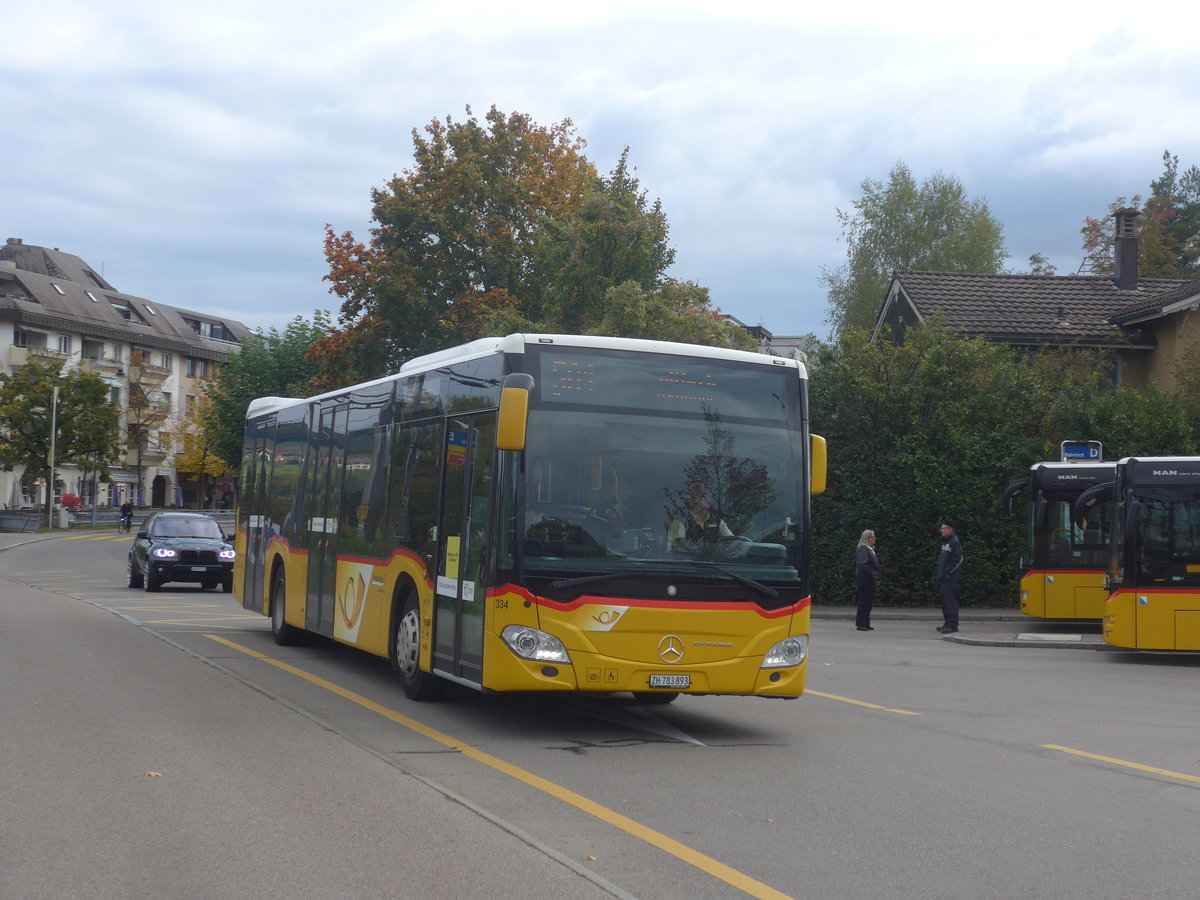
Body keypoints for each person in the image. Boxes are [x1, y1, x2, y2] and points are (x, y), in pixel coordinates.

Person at [666, 486, 733, 551]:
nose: (702, 498)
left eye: (706, 495)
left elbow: (731, 543)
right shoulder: (681, 522)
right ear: (692, 499)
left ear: (710, 500)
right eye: (698, 495)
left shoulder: (718, 522)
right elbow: (675, 552)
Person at [936, 519, 963, 634]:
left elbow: (958, 559)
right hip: (943, 577)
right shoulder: (946, 541)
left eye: (943, 528)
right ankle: (947, 623)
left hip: (949, 578)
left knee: (950, 602)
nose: (941, 530)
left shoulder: (954, 541)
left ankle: (953, 625)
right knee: (945, 602)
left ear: (950, 529)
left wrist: (947, 572)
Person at [854, 529, 881, 631]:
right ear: (867, 538)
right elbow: (862, 564)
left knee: (868, 601)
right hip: (864, 579)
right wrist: (873, 574)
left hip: (869, 579)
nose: (874, 538)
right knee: (864, 601)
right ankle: (860, 624)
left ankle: (866, 623)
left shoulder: (869, 548)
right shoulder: (864, 549)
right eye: (872, 536)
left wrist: (876, 577)